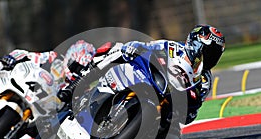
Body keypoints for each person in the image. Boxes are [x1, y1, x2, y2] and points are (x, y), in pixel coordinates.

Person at [91, 24, 225, 124]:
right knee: (114, 48)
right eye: (209, 52)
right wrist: (134, 47)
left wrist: (184, 111)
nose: (211, 57)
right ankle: (84, 78)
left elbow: (194, 110)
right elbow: (148, 46)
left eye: (215, 55)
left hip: (166, 107)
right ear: (195, 44)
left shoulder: (205, 79)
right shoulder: (173, 47)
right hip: (148, 79)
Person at [0, 40, 96, 120]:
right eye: (76, 66)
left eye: (80, 70)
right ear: (70, 56)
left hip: (41, 115)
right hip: (21, 87)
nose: (76, 71)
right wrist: (12, 58)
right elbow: (27, 55)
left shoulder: (80, 88)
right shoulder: (53, 59)